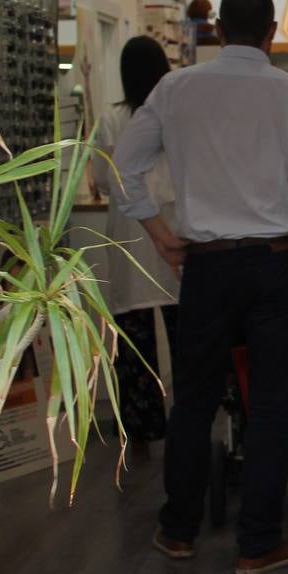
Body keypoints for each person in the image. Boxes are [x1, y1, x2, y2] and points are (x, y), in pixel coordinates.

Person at [114, 0, 288, 574]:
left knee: (196, 399)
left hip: (206, 266)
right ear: (273, 31)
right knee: (269, 406)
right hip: (274, 261)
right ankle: (258, 543)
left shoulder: (176, 88)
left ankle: (178, 529)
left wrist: (159, 234)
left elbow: (120, 167)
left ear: (216, 31)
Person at [90, 36, 180, 452]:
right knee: (187, 328)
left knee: (133, 336)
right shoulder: (178, 110)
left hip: (128, 227)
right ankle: (194, 415)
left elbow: (103, 177)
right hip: (175, 223)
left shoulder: (111, 119)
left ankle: (141, 425)